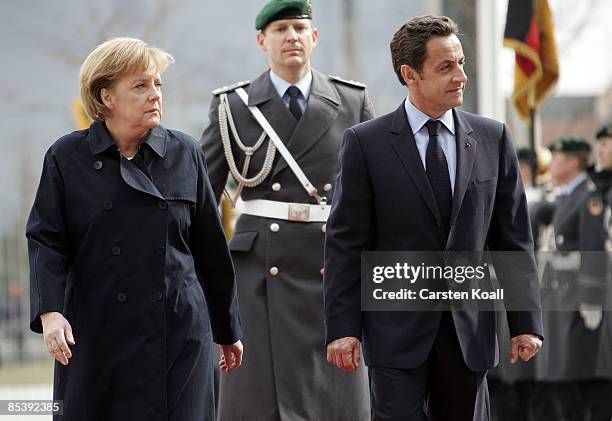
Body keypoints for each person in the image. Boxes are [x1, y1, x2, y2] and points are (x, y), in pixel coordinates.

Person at [324, 15, 543, 421]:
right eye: (446, 67)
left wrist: (525, 321)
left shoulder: (493, 138)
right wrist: (343, 327)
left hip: (469, 333)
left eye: (461, 63)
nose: (461, 75)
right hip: (394, 331)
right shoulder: (365, 143)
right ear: (411, 74)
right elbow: (345, 244)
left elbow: (513, 239)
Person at [26, 37, 243, 421]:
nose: (155, 94)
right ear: (106, 96)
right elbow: (47, 240)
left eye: (157, 84)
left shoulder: (185, 152)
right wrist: (50, 313)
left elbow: (210, 247)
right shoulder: (66, 157)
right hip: (97, 333)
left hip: (179, 334)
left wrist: (226, 328)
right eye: (140, 85)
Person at [200, 0, 374, 419]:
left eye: (299, 27)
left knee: (336, 395)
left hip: (330, 262)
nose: (291, 36)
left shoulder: (351, 101)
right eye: (280, 29)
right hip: (259, 271)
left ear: (314, 37)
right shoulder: (234, 105)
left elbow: (374, 194)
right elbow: (202, 196)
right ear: (262, 41)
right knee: (256, 398)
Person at [531, 137, 610, 421]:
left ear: (574, 162)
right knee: (562, 385)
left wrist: (591, 298)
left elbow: (592, 249)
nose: (552, 164)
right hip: (559, 299)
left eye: (558, 158)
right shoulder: (564, 197)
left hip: (577, 301)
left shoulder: (587, 198)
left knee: (577, 385)